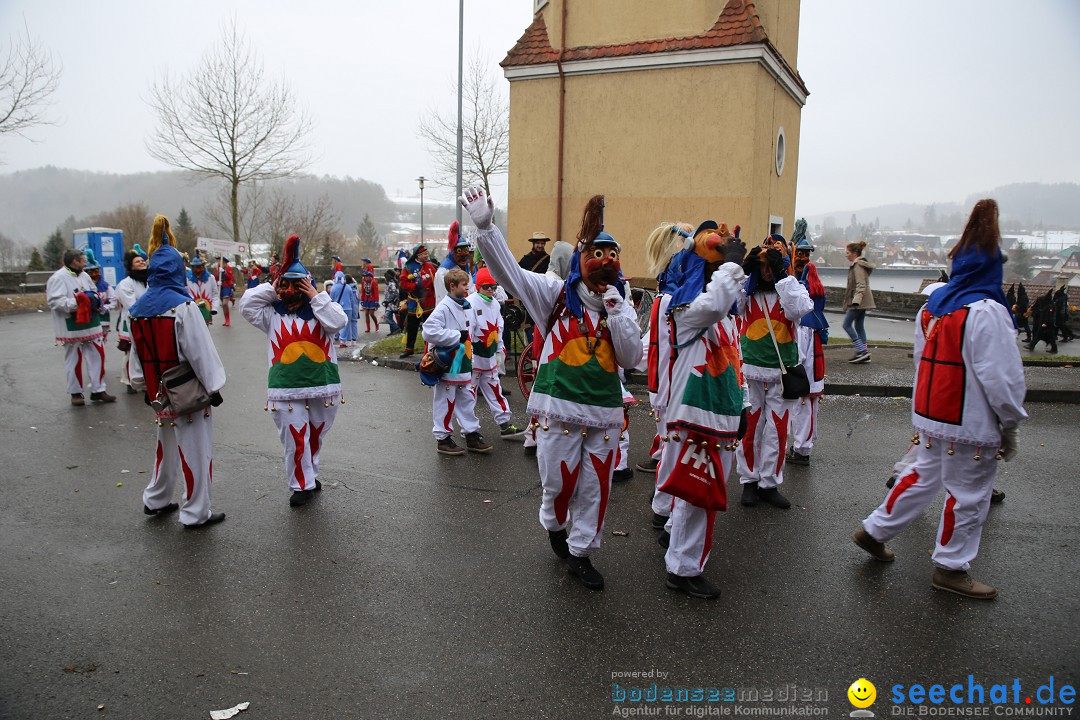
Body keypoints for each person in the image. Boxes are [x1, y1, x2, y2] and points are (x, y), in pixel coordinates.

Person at [466, 188, 643, 591]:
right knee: (559, 484)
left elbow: (631, 358)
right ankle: (554, 522)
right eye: (598, 254)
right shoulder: (554, 295)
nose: (606, 263)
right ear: (583, 259)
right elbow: (510, 272)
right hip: (558, 413)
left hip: (604, 415)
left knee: (595, 488)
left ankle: (582, 553)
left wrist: (617, 311)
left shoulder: (620, 304)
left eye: (612, 256)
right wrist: (486, 229)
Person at [852, 199, 1026, 600]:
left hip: (932, 415)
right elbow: (1002, 379)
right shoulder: (988, 310)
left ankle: (874, 529)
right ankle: (950, 568)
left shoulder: (937, 307)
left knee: (921, 477)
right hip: (970, 421)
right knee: (969, 494)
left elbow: (924, 362)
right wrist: (1010, 424)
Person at [649, 219, 748, 598]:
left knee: (700, 497)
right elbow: (717, 298)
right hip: (693, 416)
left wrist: (742, 407)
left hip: (720, 414)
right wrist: (732, 263)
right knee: (696, 495)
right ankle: (683, 568)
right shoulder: (685, 311)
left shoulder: (725, 320)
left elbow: (734, 364)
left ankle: (678, 544)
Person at [128, 215, 226, 528]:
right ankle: (196, 512)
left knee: (164, 445)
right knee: (195, 451)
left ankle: (155, 499)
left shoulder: (138, 308)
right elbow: (200, 353)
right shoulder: (183, 307)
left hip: (158, 390)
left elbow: (137, 355)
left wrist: (143, 385)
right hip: (187, 391)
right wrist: (214, 386)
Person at [239, 234, 348, 507]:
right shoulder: (271, 314)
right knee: (295, 438)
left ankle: (308, 474)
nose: (290, 291)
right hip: (285, 389)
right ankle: (301, 485)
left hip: (322, 385)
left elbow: (339, 321)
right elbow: (246, 305)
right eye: (284, 285)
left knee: (314, 436)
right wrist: (272, 286)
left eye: (296, 284)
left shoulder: (321, 310)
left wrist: (315, 294)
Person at [735, 235, 813, 510]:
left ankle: (769, 483)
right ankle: (749, 481)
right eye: (764, 266)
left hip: (782, 374)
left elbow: (800, 309)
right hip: (751, 372)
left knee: (778, 432)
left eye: (772, 266)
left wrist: (782, 274)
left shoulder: (791, 290)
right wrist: (743, 269)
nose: (766, 271)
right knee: (750, 430)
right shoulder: (747, 293)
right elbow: (731, 304)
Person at [420, 267, 493, 455]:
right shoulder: (443, 308)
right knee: (445, 401)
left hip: (463, 364)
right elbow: (428, 331)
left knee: (467, 400)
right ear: (452, 287)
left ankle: (471, 433)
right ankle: (443, 438)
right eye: (463, 285)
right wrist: (454, 336)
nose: (467, 288)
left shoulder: (464, 305)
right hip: (448, 364)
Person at [46, 247, 116, 405]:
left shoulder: (84, 275)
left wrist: (94, 300)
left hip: (92, 323)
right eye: (83, 261)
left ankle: (98, 390)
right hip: (72, 325)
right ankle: (76, 393)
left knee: (98, 355)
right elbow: (55, 301)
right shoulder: (58, 278)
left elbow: (94, 291)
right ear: (74, 261)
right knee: (74, 359)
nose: (85, 264)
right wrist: (78, 302)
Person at [467, 267, 524, 439]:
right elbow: (468, 332)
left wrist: (500, 351)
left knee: (496, 392)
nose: (491, 290)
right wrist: (468, 358)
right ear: (478, 286)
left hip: (490, 358)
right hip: (475, 359)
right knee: (468, 396)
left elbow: (499, 329)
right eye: (486, 287)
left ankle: (505, 425)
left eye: (493, 286)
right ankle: (469, 430)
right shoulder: (470, 303)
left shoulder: (494, 304)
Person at [788, 237, 828, 466]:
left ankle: (802, 448)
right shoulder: (810, 282)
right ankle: (802, 444)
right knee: (805, 399)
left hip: (806, 338)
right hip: (809, 338)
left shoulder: (803, 285)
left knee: (806, 397)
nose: (802, 258)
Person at [114, 247, 149, 394]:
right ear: (131, 266)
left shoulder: (148, 281)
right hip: (132, 322)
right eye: (137, 261)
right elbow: (132, 305)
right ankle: (128, 380)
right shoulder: (125, 284)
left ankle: (143, 378)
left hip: (148, 320)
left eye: (142, 260)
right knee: (131, 352)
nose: (142, 262)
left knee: (146, 351)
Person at [399, 244, 437, 357]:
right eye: (425, 254)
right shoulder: (408, 267)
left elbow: (437, 282)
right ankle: (409, 348)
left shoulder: (430, 267)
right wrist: (415, 287)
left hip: (428, 302)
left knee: (429, 325)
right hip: (414, 302)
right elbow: (403, 282)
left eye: (427, 253)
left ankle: (429, 348)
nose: (427, 256)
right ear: (418, 255)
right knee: (412, 326)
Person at [842, 240, 875, 363]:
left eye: (847, 252)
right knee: (859, 326)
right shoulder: (859, 265)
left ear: (854, 253)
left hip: (858, 302)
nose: (846, 255)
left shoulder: (858, 266)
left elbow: (861, 285)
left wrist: (856, 301)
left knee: (846, 324)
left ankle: (862, 351)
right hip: (862, 301)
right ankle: (863, 354)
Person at [434, 222, 475, 305]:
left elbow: (471, 290)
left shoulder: (465, 269)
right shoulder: (443, 272)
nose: (464, 257)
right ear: (453, 253)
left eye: (466, 251)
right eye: (460, 252)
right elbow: (445, 296)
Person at [83, 250, 114, 339]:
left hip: (103, 320)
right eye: (90, 273)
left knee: (101, 343)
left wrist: (104, 308)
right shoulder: (83, 286)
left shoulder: (105, 286)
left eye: (95, 272)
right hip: (88, 321)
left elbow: (114, 301)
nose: (93, 275)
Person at [186, 250, 220, 324]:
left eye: (200, 267)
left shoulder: (211, 278)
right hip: (192, 311)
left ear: (203, 267)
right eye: (195, 268)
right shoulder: (187, 279)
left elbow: (215, 295)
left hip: (206, 311)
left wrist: (214, 308)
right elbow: (185, 294)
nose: (198, 270)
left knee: (204, 333)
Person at [329, 271, 359, 346]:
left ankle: (336, 337)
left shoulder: (333, 288)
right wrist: (353, 310)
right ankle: (344, 340)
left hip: (337, 308)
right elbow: (352, 300)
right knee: (347, 324)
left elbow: (330, 299)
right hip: (348, 308)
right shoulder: (348, 287)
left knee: (336, 323)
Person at [1025, 290, 1057, 354]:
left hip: (1047, 324)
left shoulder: (1050, 306)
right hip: (1044, 323)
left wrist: (1046, 323)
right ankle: (1032, 345)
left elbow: (1049, 316)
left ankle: (1054, 349)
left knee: (1049, 337)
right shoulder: (1048, 305)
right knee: (1040, 335)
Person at [1053, 278, 1075, 343]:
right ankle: (1055, 336)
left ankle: (1067, 336)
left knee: (1061, 325)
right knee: (1058, 325)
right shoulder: (1064, 296)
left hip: (1060, 314)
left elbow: (1057, 306)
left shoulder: (1060, 298)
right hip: (1063, 313)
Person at [216, 256, 235, 326]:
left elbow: (230, 278)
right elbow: (216, 277)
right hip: (221, 287)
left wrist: (225, 272)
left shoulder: (229, 268)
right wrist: (217, 282)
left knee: (225, 303)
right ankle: (225, 319)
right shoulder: (217, 268)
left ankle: (228, 320)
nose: (218, 262)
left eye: (219, 261)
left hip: (227, 286)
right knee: (223, 305)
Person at [382, 269, 401, 335]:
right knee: (389, 316)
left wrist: (389, 301)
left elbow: (395, 293)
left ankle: (396, 328)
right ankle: (392, 331)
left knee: (388, 317)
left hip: (392, 304)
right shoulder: (389, 283)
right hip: (389, 303)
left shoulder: (392, 283)